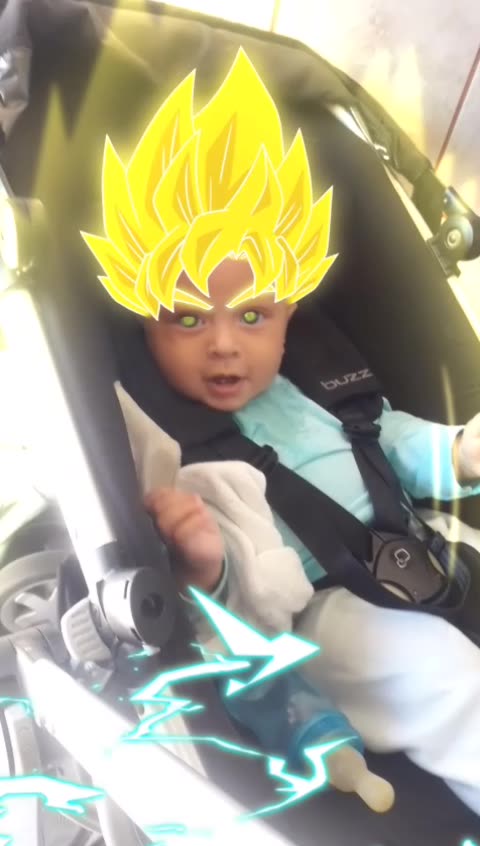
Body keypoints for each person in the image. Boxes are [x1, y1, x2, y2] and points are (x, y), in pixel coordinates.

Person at [82, 48, 480, 816]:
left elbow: (389, 442)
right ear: (142, 320)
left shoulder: (318, 387)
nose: (223, 345)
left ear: (289, 312)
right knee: (444, 680)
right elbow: (226, 616)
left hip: (423, 545)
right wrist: (199, 565)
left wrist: (459, 451)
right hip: (319, 612)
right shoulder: (166, 443)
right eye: (186, 319)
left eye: (252, 315)